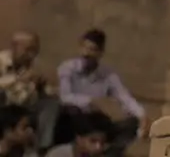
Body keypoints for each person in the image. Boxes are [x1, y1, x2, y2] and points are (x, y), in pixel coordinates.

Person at [57, 29, 145, 157]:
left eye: (92, 49)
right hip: (75, 120)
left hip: (96, 121)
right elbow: (65, 97)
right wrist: (91, 101)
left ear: (100, 53)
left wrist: (142, 115)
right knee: (71, 110)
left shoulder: (108, 74)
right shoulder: (67, 68)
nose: (86, 53)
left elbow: (124, 97)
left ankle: (107, 153)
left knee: (132, 124)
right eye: (84, 48)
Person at [0, 30, 59, 151]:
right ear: (14, 47)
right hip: (2, 107)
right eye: (28, 50)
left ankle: (43, 147)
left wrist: (41, 87)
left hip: (23, 108)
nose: (31, 55)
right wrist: (16, 79)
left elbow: (50, 92)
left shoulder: (36, 66)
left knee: (51, 103)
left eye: (35, 51)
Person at [44, 110, 110, 157]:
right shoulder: (58, 154)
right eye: (93, 141)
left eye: (102, 143)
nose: (98, 147)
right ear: (78, 138)